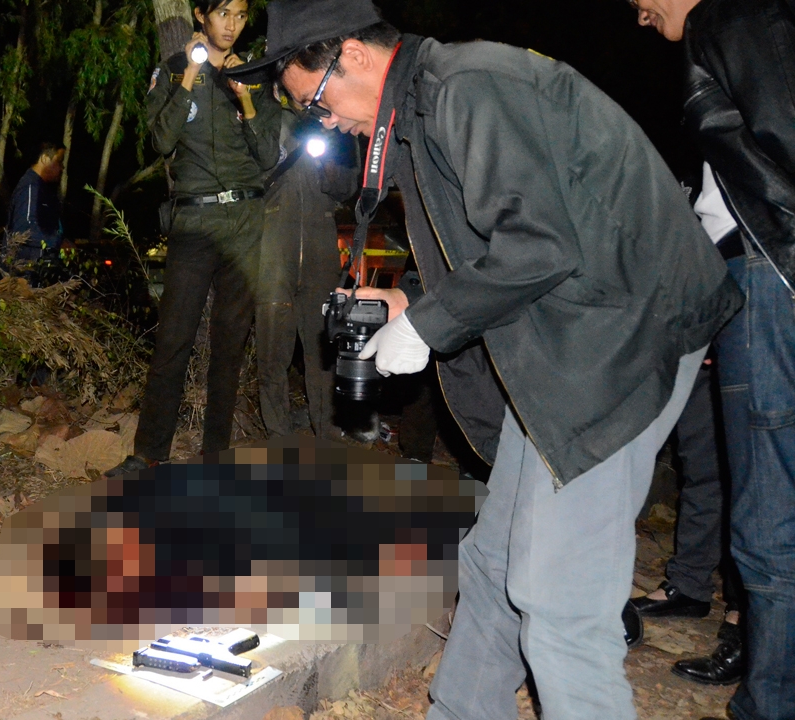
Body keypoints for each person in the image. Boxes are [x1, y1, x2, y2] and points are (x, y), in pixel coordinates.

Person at [228, 2, 743, 718]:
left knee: (558, 602)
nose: (324, 121)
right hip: (564, 333)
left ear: (353, 55)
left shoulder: (466, 87)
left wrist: (429, 326)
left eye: (316, 101)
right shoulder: (423, 109)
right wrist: (410, 301)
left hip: (620, 336)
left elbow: (540, 245)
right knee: (494, 559)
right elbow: (489, 250)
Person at [630, 0, 795, 716]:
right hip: (753, 272)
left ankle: (768, 699)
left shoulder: (732, 20)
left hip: (769, 274)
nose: (638, 15)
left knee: (768, 512)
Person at [106, 0, 281, 476]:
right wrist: (189, 74)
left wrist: (246, 98)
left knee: (230, 342)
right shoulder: (171, 70)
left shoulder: (255, 74)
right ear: (202, 14)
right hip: (194, 219)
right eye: (223, 13)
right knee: (173, 338)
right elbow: (161, 141)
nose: (232, 25)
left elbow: (269, 155)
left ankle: (215, 455)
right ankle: (148, 453)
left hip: (245, 220)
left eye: (240, 15)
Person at [630, 168, 745, 688]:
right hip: (700, 305)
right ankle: (691, 585)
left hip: (752, 297)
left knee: (754, 479)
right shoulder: (692, 149)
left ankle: (746, 619)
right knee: (704, 464)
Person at [255, 109, 357, 440]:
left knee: (323, 349)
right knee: (272, 350)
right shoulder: (268, 117)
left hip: (320, 246)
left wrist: (327, 159)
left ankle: (327, 434)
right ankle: (278, 436)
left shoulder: (337, 122)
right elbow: (250, 176)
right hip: (274, 244)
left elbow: (348, 187)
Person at [4, 142, 66, 279]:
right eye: (59, 161)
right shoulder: (30, 187)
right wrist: (56, 243)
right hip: (26, 272)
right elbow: (24, 229)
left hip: (37, 270)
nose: (62, 167)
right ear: (44, 159)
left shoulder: (45, 190)